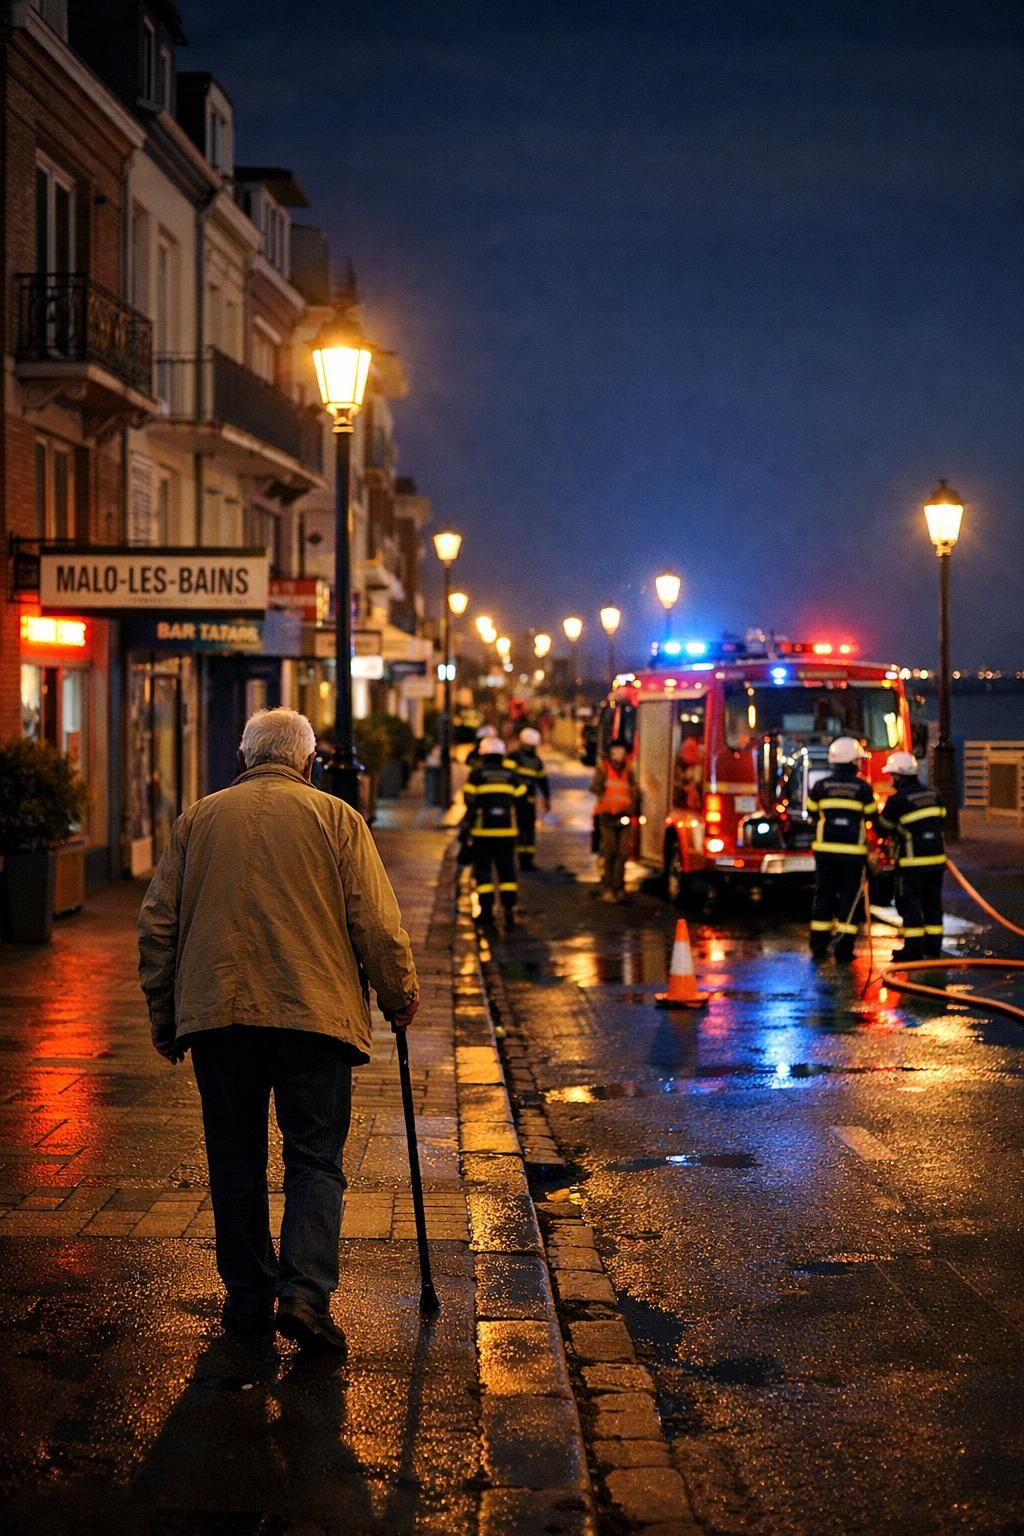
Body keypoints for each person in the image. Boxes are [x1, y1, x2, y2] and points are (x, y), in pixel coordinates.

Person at [138, 708, 418, 1353]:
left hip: (219, 1018)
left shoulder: (197, 821)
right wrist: (399, 993)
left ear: (244, 757)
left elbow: (157, 927)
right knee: (315, 1158)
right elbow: (374, 923)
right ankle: (304, 1294)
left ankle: (247, 1296)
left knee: (235, 1159)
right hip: (312, 1018)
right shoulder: (337, 820)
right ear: (308, 761)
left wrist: (164, 1016)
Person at [806, 735, 877, 961]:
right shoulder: (863, 789)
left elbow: (811, 813)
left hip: (825, 854)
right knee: (849, 899)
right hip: (853, 856)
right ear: (855, 762)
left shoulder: (820, 787)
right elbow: (873, 817)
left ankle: (818, 947)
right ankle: (844, 950)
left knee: (823, 896)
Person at [877, 750, 947, 960]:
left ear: (898, 776)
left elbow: (883, 828)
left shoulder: (897, 800)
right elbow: (942, 820)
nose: (892, 781)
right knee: (933, 904)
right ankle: (933, 947)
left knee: (910, 904)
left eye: (892, 776)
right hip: (936, 861)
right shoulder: (934, 795)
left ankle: (913, 949)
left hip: (911, 863)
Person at [461, 735, 526, 928]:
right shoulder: (512, 775)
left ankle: (486, 913)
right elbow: (522, 801)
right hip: (507, 834)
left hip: (483, 834)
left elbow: (469, 802)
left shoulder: (476, 775)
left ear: (483, 754)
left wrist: (466, 829)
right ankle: (509, 909)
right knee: (507, 873)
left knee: (483, 873)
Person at [591, 737, 638, 903]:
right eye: (615, 751)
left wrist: (632, 809)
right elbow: (595, 787)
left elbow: (635, 790)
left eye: (621, 751)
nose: (618, 754)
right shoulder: (603, 768)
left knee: (623, 854)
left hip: (624, 816)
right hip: (607, 816)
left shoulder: (629, 770)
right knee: (609, 852)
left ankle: (619, 888)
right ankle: (608, 887)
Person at [510, 726, 551, 870]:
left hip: (522, 801)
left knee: (526, 830)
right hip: (518, 801)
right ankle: (524, 861)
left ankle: (526, 860)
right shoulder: (532, 760)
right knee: (524, 830)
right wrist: (546, 799)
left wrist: (547, 798)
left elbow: (542, 781)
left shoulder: (516, 757)